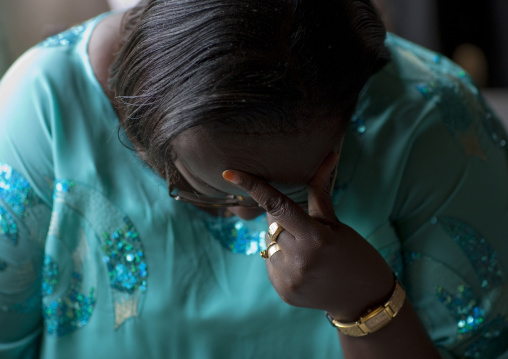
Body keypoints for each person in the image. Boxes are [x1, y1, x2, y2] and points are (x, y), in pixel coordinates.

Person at [0, 0, 507, 358]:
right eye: (199, 187)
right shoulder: (43, 110)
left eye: (287, 188)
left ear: (351, 109)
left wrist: (367, 306)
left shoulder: (433, 122)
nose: (248, 217)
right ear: (138, 121)